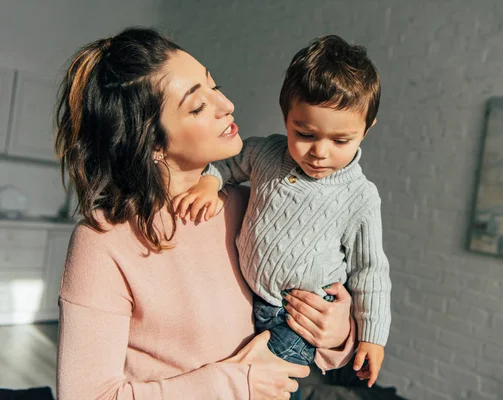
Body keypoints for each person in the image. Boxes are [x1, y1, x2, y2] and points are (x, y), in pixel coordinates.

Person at [54, 27, 357, 400]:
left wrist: (337, 332)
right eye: (197, 106)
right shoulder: (102, 242)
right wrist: (233, 384)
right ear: (151, 143)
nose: (226, 104)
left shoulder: (253, 204)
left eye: (213, 86)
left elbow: (310, 325)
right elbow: (87, 395)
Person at [172, 34, 392, 388]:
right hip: (249, 303)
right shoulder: (267, 154)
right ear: (286, 118)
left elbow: (370, 271)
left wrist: (372, 336)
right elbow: (227, 164)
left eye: (340, 141)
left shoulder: (361, 197)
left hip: (298, 318)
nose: (320, 152)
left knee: (270, 388)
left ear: (366, 130)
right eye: (305, 134)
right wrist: (210, 183)